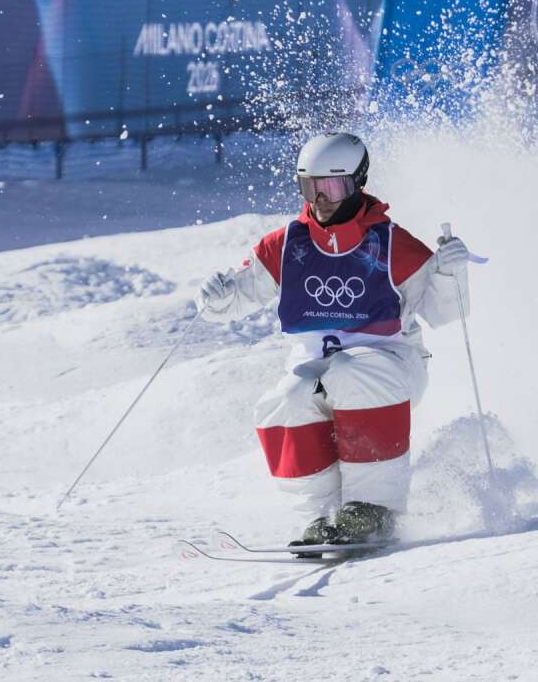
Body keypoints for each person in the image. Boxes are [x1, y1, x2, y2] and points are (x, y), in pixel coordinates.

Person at [195, 132, 472, 547]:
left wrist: (451, 274)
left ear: (356, 183)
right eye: (310, 187)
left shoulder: (390, 243)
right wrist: (214, 298)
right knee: (285, 399)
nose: (320, 200)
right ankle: (323, 515)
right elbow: (231, 303)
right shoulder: (287, 245)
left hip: (390, 370)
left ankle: (373, 510)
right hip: (319, 374)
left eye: (331, 187)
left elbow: (445, 312)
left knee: (349, 370)